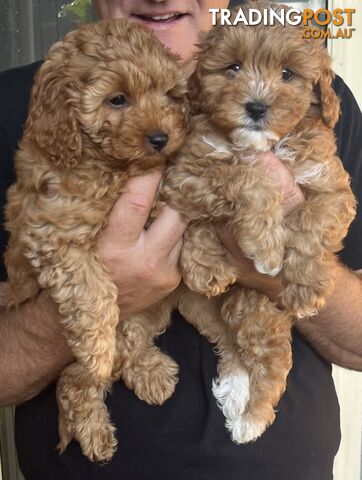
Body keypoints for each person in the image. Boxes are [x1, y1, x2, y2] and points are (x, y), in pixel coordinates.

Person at [0, 1, 361, 478]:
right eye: (118, 99)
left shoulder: (316, 103)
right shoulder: (23, 102)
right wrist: (96, 300)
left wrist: (277, 268)